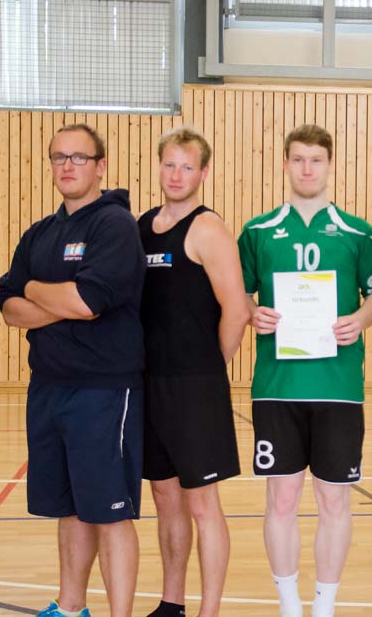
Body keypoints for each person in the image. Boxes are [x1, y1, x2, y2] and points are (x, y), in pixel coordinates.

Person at [0, 123, 146, 617]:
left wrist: (33, 288)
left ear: (100, 166)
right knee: (70, 506)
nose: (67, 166)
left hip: (103, 391)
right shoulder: (40, 233)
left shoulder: (114, 226)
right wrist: (56, 298)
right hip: (48, 387)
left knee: (110, 511)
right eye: (59, 157)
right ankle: (70, 606)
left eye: (79, 157)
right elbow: (8, 308)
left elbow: (87, 302)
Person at [238, 124, 372, 617]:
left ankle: (324, 606)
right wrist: (251, 311)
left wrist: (361, 319)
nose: (307, 168)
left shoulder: (358, 232)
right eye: (298, 159)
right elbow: (238, 293)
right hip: (277, 387)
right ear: (285, 163)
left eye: (316, 160)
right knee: (281, 500)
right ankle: (288, 605)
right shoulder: (258, 231)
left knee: (334, 502)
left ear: (330, 165)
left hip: (338, 387)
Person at [139, 127, 250, 617]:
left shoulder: (208, 229)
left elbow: (237, 310)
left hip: (194, 387)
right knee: (165, 499)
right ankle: (172, 603)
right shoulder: (142, 226)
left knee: (203, 503)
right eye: (169, 164)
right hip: (148, 383)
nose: (176, 174)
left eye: (187, 167)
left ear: (203, 173)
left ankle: (209, 611)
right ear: (159, 167)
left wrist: (208, 368)